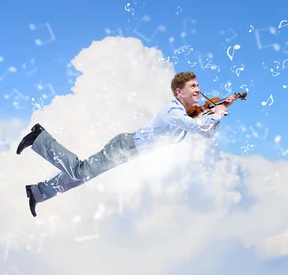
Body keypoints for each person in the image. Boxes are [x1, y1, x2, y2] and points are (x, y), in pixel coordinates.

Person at [17, 72, 234, 217]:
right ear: (179, 91)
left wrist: (219, 113)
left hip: (132, 154)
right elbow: (198, 127)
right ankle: (38, 137)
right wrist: (215, 113)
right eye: (193, 86)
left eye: (198, 85)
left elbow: (206, 132)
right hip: (125, 147)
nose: (198, 89)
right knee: (79, 171)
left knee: (81, 175)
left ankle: (38, 192)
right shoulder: (174, 111)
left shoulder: (190, 114)